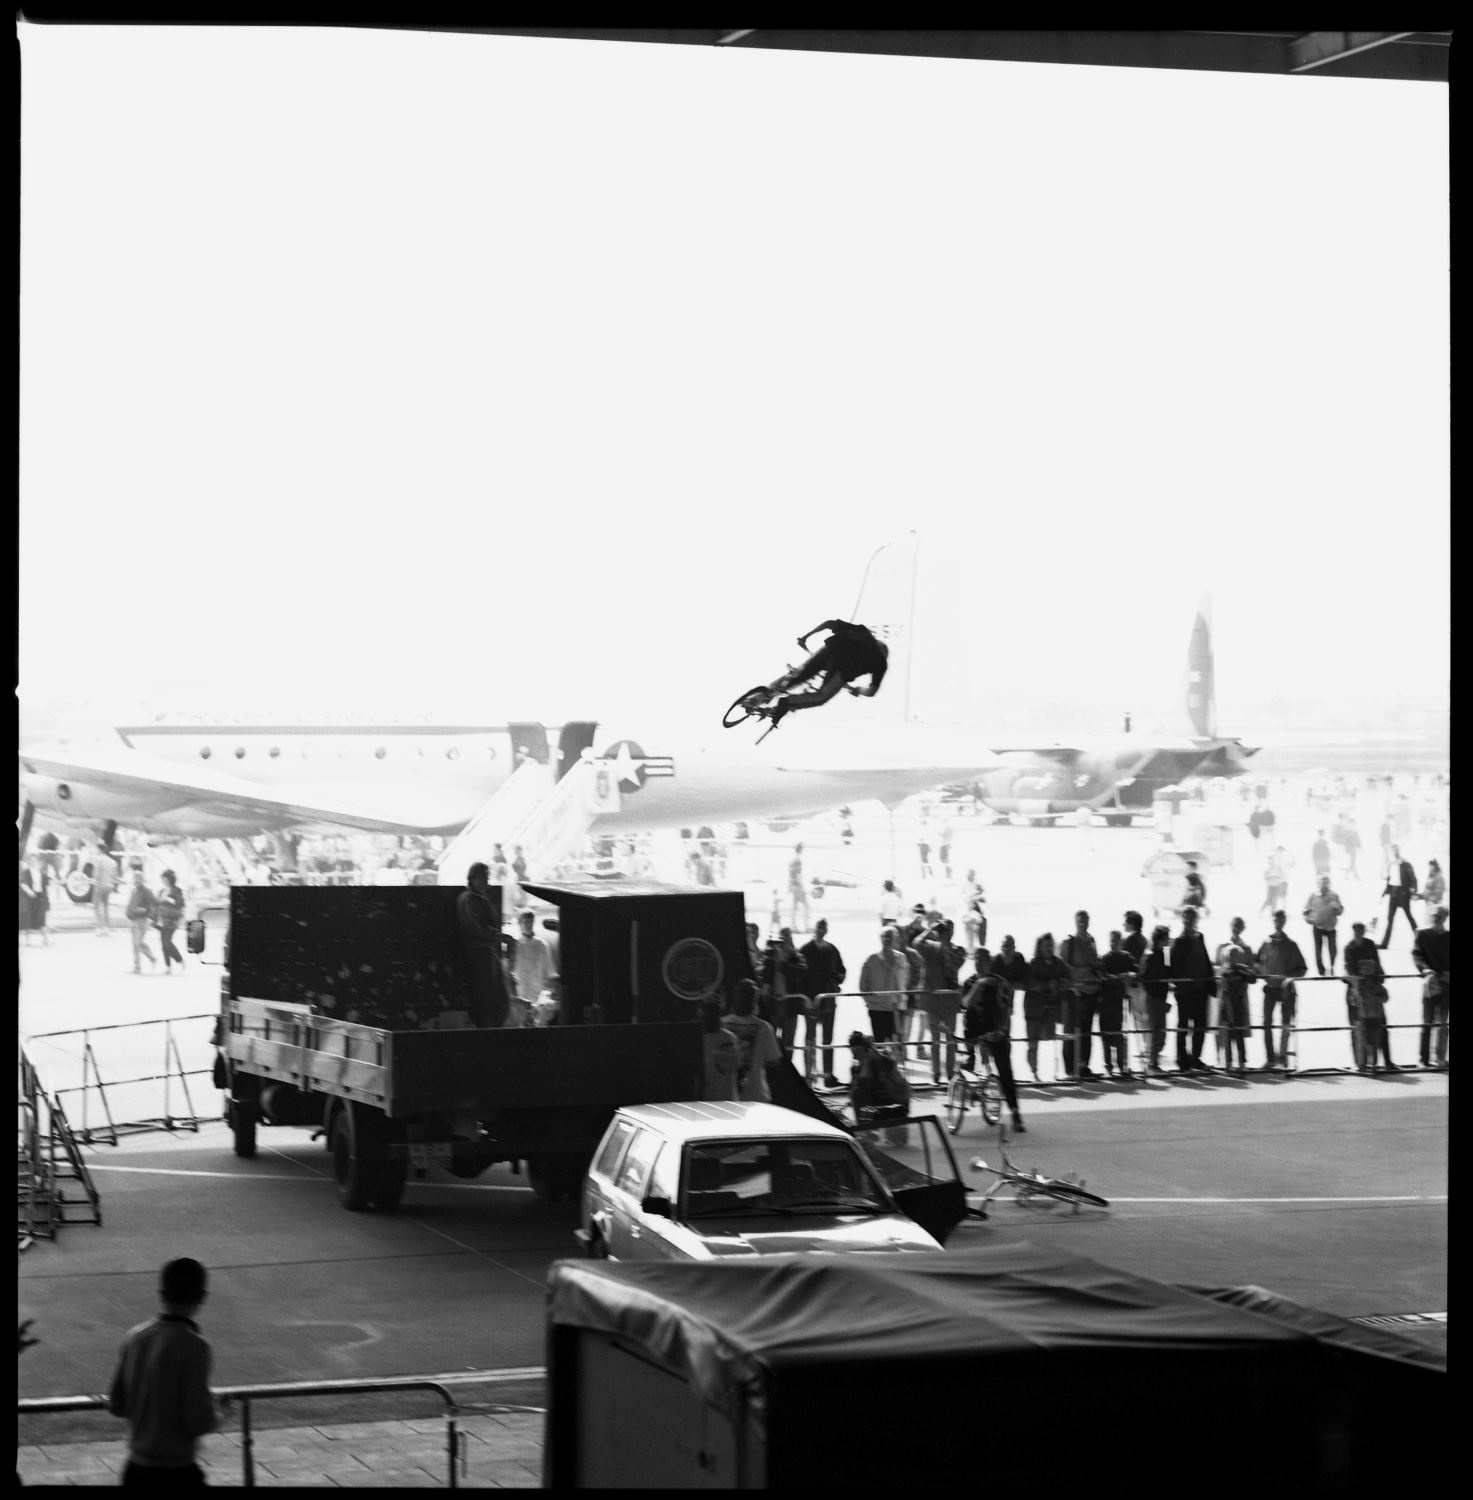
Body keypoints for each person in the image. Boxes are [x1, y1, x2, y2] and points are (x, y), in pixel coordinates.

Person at [107, 1256, 217, 1488]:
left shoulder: (135, 1337)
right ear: (202, 1297)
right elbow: (199, 1420)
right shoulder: (195, 1346)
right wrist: (222, 1413)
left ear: (162, 1293)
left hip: (134, 1469)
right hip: (177, 1472)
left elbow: (116, 1404)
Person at [761, 618, 889, 726]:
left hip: (827, 651)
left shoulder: (863, 632)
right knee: (821, 696)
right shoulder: (881, 662)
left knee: (798, 676)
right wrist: (858, 690)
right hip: (842, 669)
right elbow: (872, 691)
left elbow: (828, 623)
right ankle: (787, 702)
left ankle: (763, 694)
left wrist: (806, 636)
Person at [960, 959, 1025, 1133]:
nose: (981, 967)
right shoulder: (970, 982)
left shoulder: (1000, 983)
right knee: (966, 1062)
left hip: (996, 1028)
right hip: (975, 1028)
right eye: (978, 964)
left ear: (989, 965)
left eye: (985, 964)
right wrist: (979, 986)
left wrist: (1002, 1031)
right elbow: (966, 1004)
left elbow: (1006, 1010)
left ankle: (1015, 1112)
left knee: (1005, 1070)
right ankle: (973, 1089)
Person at [455, 863, 510, 1028]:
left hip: (488, 952)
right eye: (484, 876)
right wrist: (494, 935)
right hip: (479, 954)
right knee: (485, 997)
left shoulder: (480, 899)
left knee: (498, 997)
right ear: (474, 879)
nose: (487, 880)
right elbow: (473, 925)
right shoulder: (466, 900)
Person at [1257, 910, 1308, 1071]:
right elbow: (1257, 962)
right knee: (1266, 1023)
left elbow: (1302, 968)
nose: (1278, 922)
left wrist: (1288, 978)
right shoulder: (1266, 942)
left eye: (1281, 920)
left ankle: (1283, 1056)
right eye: (1276, 919)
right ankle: (1270, 1058)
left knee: (1286, 1024)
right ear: (1273, 921)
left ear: (1284, 921)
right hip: (1270, 989)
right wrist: (1260, 972)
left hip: (1286, 990)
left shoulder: (1291, 945)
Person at [916, 918, 965, 1083]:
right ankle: (935, 1074)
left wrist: (943, 944)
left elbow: (953, 965)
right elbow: (916, 943)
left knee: (950, 1040)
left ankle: (950, 1074)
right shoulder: (930, 946)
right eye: (944, 930)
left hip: (950, 1003)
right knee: (935, 1040)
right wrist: (929, 929)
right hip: (933, 1002)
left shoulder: (958, 950)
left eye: (950, 930)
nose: (947, 933)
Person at [798, 918, 846, 1086]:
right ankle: (809, 1074)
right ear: (815, 929)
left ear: (826, 930)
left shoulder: (832, 949)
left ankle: (827, 1076)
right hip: (811, 1000)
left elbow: (842, 971)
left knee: (828, 1039)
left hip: (828, 1000)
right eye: (819, 927)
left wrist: (836, 980)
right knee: (810, 1038)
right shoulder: (805, 949)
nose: (821, 930)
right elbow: (800, 976)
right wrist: (805, 1000)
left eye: (824, 928)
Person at [1169, 907, 1216, 1073]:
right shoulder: (1178, 941)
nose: (1189, 921)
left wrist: (1211, 982)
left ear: (1196, 920)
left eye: (1192, 918)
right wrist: (1178, 985)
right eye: (1186, 918)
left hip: (1201, 989)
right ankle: (1182, 1060)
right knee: (1183, 1026)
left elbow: (1205, 959)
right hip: (1185, 991)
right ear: (1182, 920)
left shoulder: (1200, 937)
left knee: (1200, 1026)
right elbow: (1172, 965)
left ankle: (1196, 1058)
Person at [1059, 911, 1103, 1081]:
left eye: (1085, 921)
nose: (1082, 924)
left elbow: (1095, 965)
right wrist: (1083, 973)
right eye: (1080, 921)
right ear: (1075, 922)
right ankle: (1070, 1069)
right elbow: (1063, 968)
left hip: (1090, 992)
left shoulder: (1092, 941)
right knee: (1070, 1031)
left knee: (1086, 1032)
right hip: (1074, 993)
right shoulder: (1068, 943)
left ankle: (1083, 1066)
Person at [723, 980, 782, 1102]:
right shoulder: (764, 1027)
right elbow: (774, 1060)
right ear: (754, 1001)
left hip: (727, 1097)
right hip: (756, 1096)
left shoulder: (722, 1024)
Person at [1023, 933, 1071, 1082]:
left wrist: (1059, 983)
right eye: (1046, 946)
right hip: (1033, 1008)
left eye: (1051, 945)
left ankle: (1056, 1072)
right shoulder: (1033, 963)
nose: (1049, 948)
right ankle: (1034, 1073)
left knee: (1048, 1036)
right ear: (1040, 947)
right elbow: (1028, 983)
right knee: (1033, 1043)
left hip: (1050, 1008)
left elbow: (1069, 979)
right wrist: (1045, 985)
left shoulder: (1059, 963)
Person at [1213, 917, 1256, 1076]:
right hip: (1226, 1000)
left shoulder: (1246, 949)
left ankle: (1242, 1061)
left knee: (1239, 1032)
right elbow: (1217, 969)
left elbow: (1253, 975)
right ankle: (1226, 1061)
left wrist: (1243, 970)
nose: (1236, 928)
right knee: (1226, 1032)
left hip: (1239, 998)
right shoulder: (1222, 947)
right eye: (1234, 925)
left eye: (1239, 926)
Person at [760, 928, 809, 1060]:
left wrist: (783, 964)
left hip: (790, 1006)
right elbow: (764, 976)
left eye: (786, 940)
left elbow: (800, 974)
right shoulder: (770, 957)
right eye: (781, 940)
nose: (783, 943)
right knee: (771, 1040)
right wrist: (771, 960)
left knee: (789, 1042)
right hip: (773, 1004)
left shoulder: (797, 957)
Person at [1342, 922, 1384, 1072]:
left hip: (1372, 991)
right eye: (1356, 930)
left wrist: (1378, 979)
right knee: (1357, 1028)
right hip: (1357, 991)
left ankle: (1375, 1062)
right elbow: (1349, 968)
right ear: (1353, 931)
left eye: (1361, 930)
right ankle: (1359, 1062)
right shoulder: (1349, 948)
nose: (1359, 932)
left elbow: (1378, 966)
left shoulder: (1370, 944)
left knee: (1376, 1027)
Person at [1411, 907, 1450, 1069]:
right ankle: (1424, 1058)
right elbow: (1417, 955)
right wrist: (1425, 970)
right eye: (1435, 916)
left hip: (1447, 982)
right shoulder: (1423, 934)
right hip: (1431, 981)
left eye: (1440, 917)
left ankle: (1440, 1057)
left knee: (1442, 1022)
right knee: (1427, 1021)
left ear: (1445, 918)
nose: (1437, 919)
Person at [1097, 931, 1138, 1078]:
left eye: (1116, 940)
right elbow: (1102, 976)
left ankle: (1122, 1065)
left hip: (1120, 1000)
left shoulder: (1126, 957)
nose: (1113, 943)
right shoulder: (1104, 958)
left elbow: (1135, 972)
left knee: (1120, 1034)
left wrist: (1129, 975)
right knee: (1106, 1034)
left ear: (1120, 942)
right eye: (1112, 940)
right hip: (1106, 1001)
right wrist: (1119, 978)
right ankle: (1108, 1065)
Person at [858, 926, 908, 1043]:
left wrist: (902, 999)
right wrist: (871, 1001)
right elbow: (863, 985)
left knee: (896, 1044)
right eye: (885, 936)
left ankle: (896, 1061)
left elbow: (906, 979)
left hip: (896, 1009)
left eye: (890, 936)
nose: (887, 939)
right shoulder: (871, 959)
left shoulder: (901, 958)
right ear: (881, 938)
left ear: (895, 939)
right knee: (880, 1043)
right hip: (877, 1009)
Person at [511, 908, 555, 1023]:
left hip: (538, 996)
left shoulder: (542, 945)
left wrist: (547, 994)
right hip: (521, 995)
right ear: (519, 923)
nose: (528, 925)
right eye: (525, 922)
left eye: (530, 922)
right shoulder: (515, 946)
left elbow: (550, 972)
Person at [1139, 925, 1173, 1074]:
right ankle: (1152, 1063)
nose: (1168, 940)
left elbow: (1168, 972)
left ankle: (1154, 1061)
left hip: (1161, 996)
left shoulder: (1163, 954)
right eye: (1166, 937)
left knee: (1161, 1033)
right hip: (1154, 998)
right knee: (1156, 1032)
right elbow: (1147, 978)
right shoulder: (1150, 956)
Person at [1302, 875, 1345, 977]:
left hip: (1330, 927)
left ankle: (1332, 967)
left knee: (1333, 949)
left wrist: (1336, 907)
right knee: (1318, 950)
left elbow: (1340, 911)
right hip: (1318, 927)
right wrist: (1309, 919)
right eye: (1321, 883)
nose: (1323, 885)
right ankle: (1321, 971)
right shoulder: (1313, 896)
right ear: (1318, 884)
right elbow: (1305, 910)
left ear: (1329, 884)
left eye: (1325, 883)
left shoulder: (1334, 896)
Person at [1121, 911, 1149, 1065]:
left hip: (1132, 982)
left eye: (1126, 922)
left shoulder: (1129, 939)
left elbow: (1126, 960)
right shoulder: (1144, 939)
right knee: (1142, 1015)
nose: (1124, 924)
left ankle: (1144, 1047)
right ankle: (1145, 1046)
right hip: (1142, 982)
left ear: (1132, 923)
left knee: (1138, 1015)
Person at [1379, 846, 1419, 949]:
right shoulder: (1391, 865)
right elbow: (1390, 880)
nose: (1394, 853)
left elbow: (1413, 879)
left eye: (1396, 851)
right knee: (1390, 919)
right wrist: (1385, 892)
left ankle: (1420, 941)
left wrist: (1413, 891)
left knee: (1409, 917)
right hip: (1393, 893)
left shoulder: (1405, 864)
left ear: (1398, 852)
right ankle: (1384, 944)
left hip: (1403, 893)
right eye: (1393, 851)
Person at [699, 999, 740, 1101]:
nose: (709, 1018)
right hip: (705, 1101)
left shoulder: (729, 1037)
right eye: (706, 1015)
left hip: (726, 1101)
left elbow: (734, 1065)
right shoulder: (699, 1038)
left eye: (712, 1014)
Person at [125, 871, 158, 974]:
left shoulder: (147, 891)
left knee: (138, 942)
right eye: (135, 878)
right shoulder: (133, 891)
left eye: (138, 878)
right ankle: (137, 967)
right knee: (135, 945)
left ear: (143, 879)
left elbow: (153, 905)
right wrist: (128, 912)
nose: (136, 880)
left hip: (142, 920)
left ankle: (152, 958)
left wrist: (146, 913)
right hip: (133, 919)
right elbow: (130, 904)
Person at [155, 870, 186, 975]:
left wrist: (167, 899)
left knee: (167, 942)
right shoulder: (161, 890)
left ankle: (179, 959)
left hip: (172, 920)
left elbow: (179, 904)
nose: (162, 880)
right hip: (162, 920)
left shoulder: (177, 890)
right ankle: (168, 966)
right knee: (163, 944)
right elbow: (157, 903)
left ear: (168, 879)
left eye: (164, 878)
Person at [92, 842, 119, 936]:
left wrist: (93, 880)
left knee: (96, 906)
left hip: (100, 885)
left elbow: (96, 873)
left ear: (99, 849)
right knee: (105, 907)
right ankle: (107, 927)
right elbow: (115, 876)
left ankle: (101, 927)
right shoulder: (112, 861)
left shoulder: (98, 860)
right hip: (109, 885)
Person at [1260, 845, 1292, 916]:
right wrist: (1271, 877)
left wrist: (1278, 878)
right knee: (1269, 900)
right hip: (1272, 885)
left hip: (1279, 884)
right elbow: (1266, 876)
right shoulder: (1269, 866)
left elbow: (1282, 873)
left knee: (1277, 899)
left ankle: (1275, 913)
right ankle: (1262, 911)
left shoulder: (1280, 863)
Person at [786, 844, 810, 932]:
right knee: (806, 907)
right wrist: (802, 887)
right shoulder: (798, 861)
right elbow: (798, 875)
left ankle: (793, 926)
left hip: (791, 886)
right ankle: (806, 926)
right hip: (797, 886)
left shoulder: (792, 860)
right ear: (800, 850)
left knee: (794, 907)